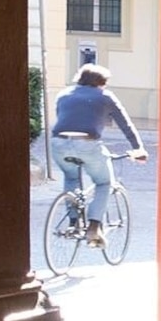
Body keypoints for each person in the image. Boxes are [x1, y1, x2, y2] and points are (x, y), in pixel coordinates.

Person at [50, 50, 146, 229]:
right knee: (104, 182)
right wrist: (138, 149)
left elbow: (64, 118)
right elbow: (126, 125)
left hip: (58, 143)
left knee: (71, 177)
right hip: (88, 144)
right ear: (102, 83)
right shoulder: (105, 96)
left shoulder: (63, 94)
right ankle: (94, 226)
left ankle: (73, 221)